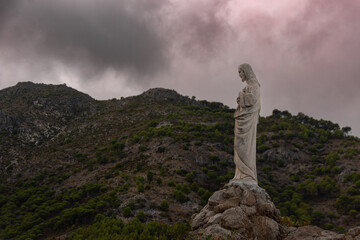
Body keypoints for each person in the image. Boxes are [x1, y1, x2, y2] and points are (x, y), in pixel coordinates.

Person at [233, 63, 261, 183]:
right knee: (238, 146)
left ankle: (247, 174)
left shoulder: (254, 85)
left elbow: (252, 100)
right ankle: (240, 174)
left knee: (244, 147)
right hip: (242, 118)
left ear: (246, 71)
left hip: (248, 120)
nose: (239, 75)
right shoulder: (248, 87)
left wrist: (241, 96)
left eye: (240, 72)